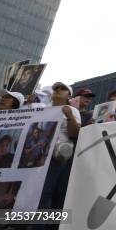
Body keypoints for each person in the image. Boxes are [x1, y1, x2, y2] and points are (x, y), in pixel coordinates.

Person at [39, 82, 81, 213]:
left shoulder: (72, 110)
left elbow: (75, 133)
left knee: (46, 191)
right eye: (55, 88)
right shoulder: (43, 109)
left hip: (57, 155)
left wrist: (69, 116)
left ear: (69, 95)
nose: (57, 90)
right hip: (39, 153)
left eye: (62, 89)